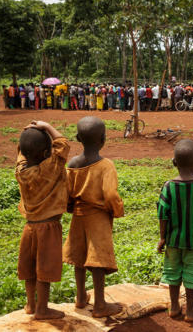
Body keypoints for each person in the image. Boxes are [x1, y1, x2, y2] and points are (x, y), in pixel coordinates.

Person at [63, 117, 123, 318]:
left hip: (78, 216)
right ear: (103, 139)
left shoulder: (71, 164)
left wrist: (71, 207)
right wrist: (117, 210)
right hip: (98, 218)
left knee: (79, 258)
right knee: (97, 260)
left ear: (78, 138)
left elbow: (67, 193)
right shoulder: (106, 165)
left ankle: (80, 298)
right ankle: (100, 305)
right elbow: (111, 195)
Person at [157, 139, 193, 322]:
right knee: (192, 274)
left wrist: (162, 238)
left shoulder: (168, 187)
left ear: (174, 162)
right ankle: (190, 312)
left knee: (173, 273)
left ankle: (174, 307)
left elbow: (162, 215)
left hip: (173, 242)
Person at [15, 120, 70, 320]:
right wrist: (46, 126)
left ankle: (30, 304)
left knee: (29, 269)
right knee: (44, 270)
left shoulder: (21, 171)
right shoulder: (51, 168)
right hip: (49, 227)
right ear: (47, 153)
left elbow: (22, 153)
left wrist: (26, 136)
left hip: (29, 228)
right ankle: (42, 309)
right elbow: (63, 144)